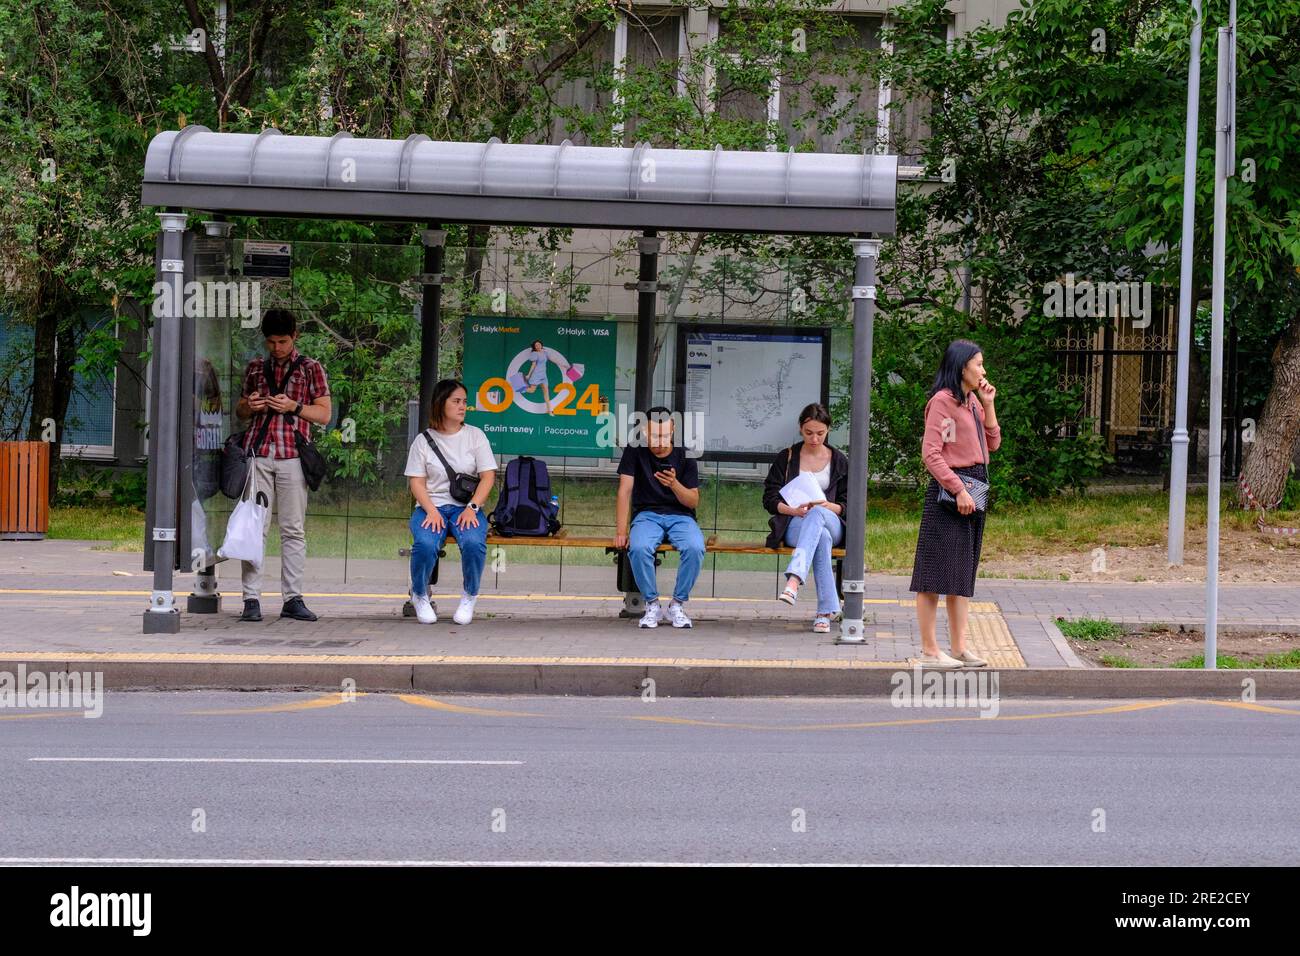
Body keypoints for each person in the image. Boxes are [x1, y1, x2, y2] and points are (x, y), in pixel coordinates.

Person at [233, 308, 331, 622]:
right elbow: (240, 410)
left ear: (295, 336)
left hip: (292, 456)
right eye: (271, 342)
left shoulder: (311, 368)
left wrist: (294, 406)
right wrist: (251, 405)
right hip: (259, 453)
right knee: (255, 528)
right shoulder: (255, 368)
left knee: (293, 530)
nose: (277, 348)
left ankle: (293, 598)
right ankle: (251, 600)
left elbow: (324, 414)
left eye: (283, 341)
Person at [908, 339, 1001, 668]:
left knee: (961, 574)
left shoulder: (973, 402)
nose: (983, 370)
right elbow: (931, 454)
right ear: (962, 366)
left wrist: (988, 405)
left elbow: (994, 443)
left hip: (974, 488)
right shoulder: (942, 403)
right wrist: (958, 489)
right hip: (949, 495)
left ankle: (960, 647)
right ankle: (930, 650)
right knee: (934, 574)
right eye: (978, 364)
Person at [404, 379, 497, 626]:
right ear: (440, 403)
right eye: (456, 401)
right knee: (424, 543)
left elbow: (488, 477)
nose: (462, 406)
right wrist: (431, 511)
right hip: (429, 506)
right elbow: (416, 482)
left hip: (465, 507)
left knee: (474, 543)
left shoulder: (475, 436)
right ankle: (420, 594)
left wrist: (473, 508)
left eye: (464, 402)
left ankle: (469, 596)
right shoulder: (423, 441)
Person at [761, 403, 850, 633]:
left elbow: (849, 505)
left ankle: (794, 579)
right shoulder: (788, 457)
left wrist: (826, 505)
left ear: (828, 430)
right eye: (809, 433)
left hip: (832, 520)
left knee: (819, 514)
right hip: (796, 522)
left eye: (820, 433)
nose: (814, 438)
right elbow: (769, 498)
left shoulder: (839, 460)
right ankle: (825, 612)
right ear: (800, 429)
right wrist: (793, 510)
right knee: (820, 537)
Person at [614, 407, 705, 628]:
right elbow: (624, 490)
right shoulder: (634, 451)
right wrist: (620, 532)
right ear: (645, 431)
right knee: (638, 548)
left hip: (681, 515)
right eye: (655, 435)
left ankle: (677, 604)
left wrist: (674, 484)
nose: (660, 441)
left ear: (672, 430)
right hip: (647, 515)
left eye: (665, 435)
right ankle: (652, 603)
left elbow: (693, 501)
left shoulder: (686, 455)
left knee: (695, 548)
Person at [522, 339, 553, 415]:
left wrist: (563, 365)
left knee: (546, 392)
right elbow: (533, 364)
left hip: (543, 375)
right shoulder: (535, 354)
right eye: (536, 345)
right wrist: (529, 375)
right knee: (532, 391)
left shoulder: (545, 353)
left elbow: (553, 359)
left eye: (539, 344)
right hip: (536, 374)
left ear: (541, 345)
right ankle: (518, 386)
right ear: (534, 347)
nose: (538, 346)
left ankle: (549, 410)